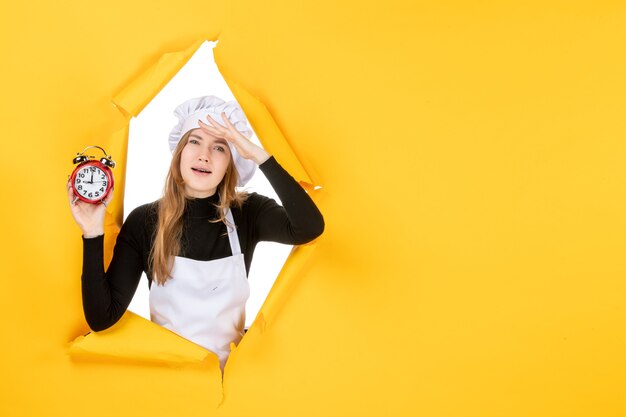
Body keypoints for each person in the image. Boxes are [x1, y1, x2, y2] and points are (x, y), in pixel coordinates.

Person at [67, 96, 324, 369]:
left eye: (220, 147)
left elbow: (309, 227)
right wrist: (92, 234)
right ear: (179, 152)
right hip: (173, 384)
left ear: (231, 163)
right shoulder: (145, 221)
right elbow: (101, 317)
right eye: (195, 141)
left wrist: (259, 156)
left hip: (233, 386)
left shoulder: (248, 212)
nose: (205, 155)